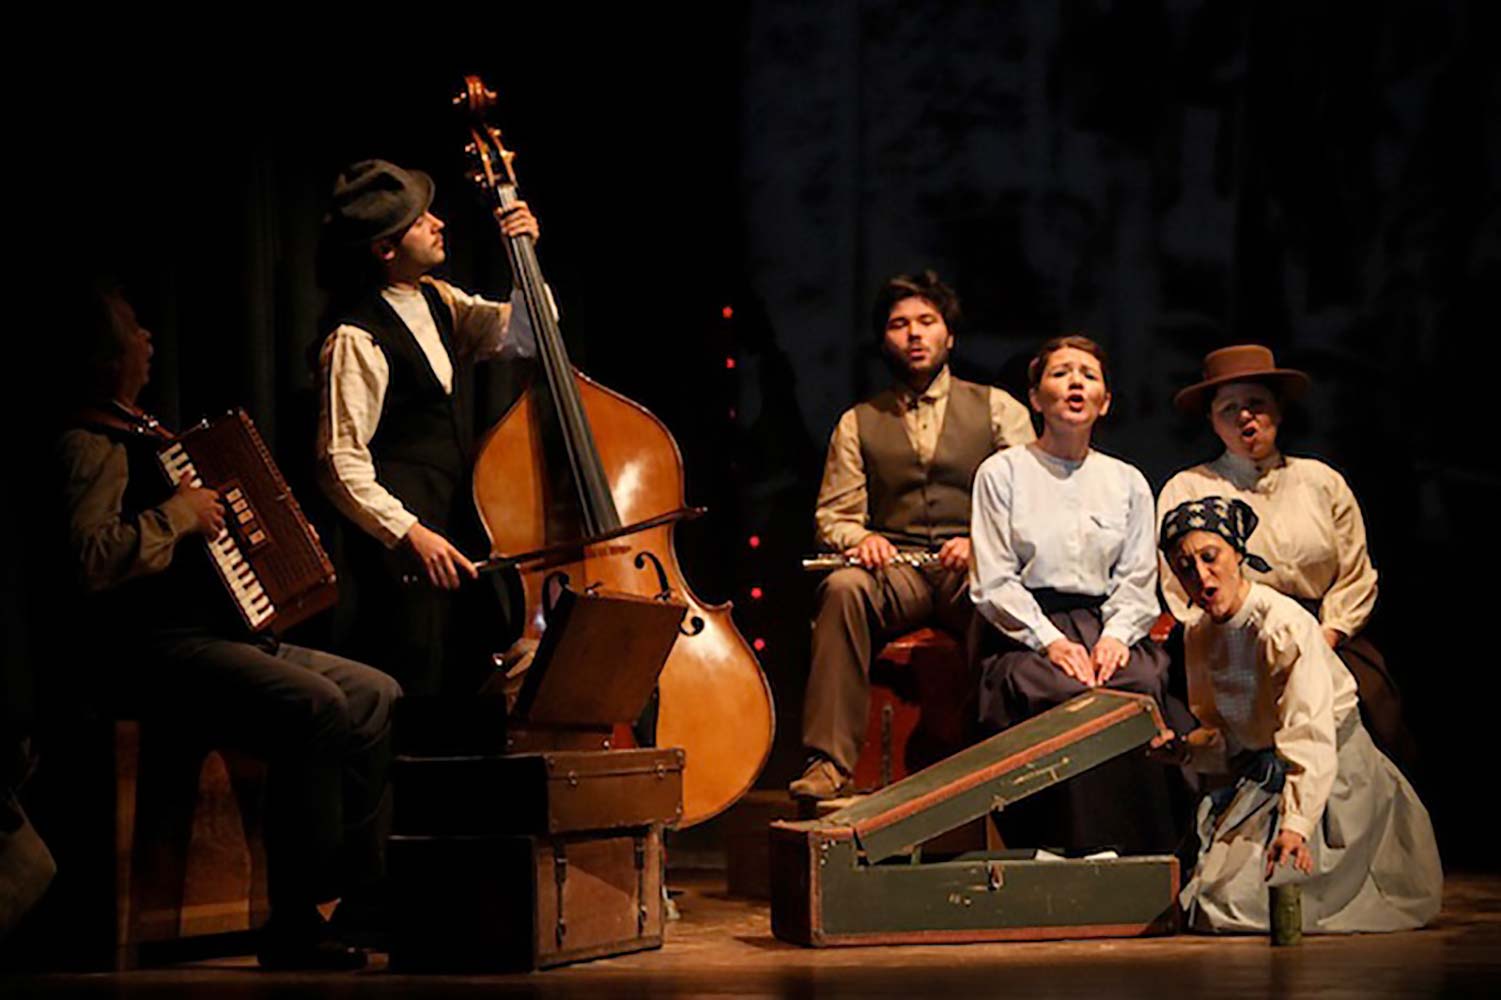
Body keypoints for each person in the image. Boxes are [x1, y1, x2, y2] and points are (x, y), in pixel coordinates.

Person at [57, 283, 401, 969]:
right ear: (104, 354)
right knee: (316, 703)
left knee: (375, 693)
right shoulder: (87, 443)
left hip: (215, 637)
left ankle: (363, 903)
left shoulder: (147, 435)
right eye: (134, 330)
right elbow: (88, 562)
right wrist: (178, 517)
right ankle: (295, 925)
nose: (149, 340)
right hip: (149, 650)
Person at [791, 271, 1035, 799]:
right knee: (840, 590)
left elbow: (1031, 502)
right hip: (895, 572)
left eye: (927, 321)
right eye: (900, 325)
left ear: (950, 334)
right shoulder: (858, 422)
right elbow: (833, 516)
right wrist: (860, 540)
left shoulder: (997, 408)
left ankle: (990, 756)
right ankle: (828, 763)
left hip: (967, 568)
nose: (915, 334)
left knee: (994, 598)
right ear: (885, 340)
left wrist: (981, 541)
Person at [1154, 496, 1441, 933]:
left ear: (1237, 555)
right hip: (1266, 775)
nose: (1201, 576)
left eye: (1210, 558)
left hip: (1328, 779)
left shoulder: (1281, 625)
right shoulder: (1200, 633)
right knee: (1206, 901)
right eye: (1184, 567)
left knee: (1243, 906)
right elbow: (1226, 730)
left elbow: (1308, 732)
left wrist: (1296, 824)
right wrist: (1188, 751)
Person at [315, 159, 539, 696]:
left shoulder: (438, 299)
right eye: (419, 220)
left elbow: (523, 337)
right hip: (402, 562)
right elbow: (339, 462)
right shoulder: (356, 338)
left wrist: (525, 256)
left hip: (456, 540)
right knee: (417, 692)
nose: (437, 222)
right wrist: (411, 533)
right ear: (385, 249)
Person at [969, 334, 1184, 853]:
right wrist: (1050, 642)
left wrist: (1115, 638)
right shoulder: (1002, 473)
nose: (1075, 383)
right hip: (1026, 630)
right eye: (1061, 373)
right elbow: (994, 580)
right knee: (1066, 695)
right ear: (1036, 398)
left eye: (1088, 375)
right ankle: (1066, 852)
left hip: (1104, 624)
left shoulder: (1126, 481)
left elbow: (1136, 578)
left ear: (1104, 401)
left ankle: (1142, 856)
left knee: (1140, 681)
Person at [1157, 345, 1414, 768]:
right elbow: (1181, 589)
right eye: (1229, 408)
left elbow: (1356, 573)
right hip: (1233, 644)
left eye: (1256, 404)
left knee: (1370, 703)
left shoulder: (1321, 481)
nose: (1245, 417)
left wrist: (1326, 635)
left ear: (1277, 409)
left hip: (1327, 631)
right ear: (1211, 420)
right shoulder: (1188, 489)